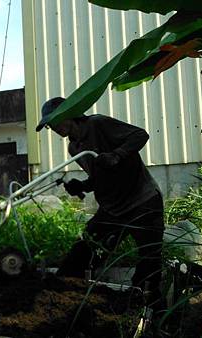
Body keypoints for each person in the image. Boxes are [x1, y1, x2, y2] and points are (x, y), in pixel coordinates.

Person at [36, 97, 165, 304]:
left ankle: (150, 310)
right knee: (83, 251)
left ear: (69, 114)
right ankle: (63, 298)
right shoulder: (74, 148)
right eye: (49, 126)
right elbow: (100, 177)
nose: (52, 128)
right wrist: (83, 186)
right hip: (113, 208)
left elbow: (140, 135)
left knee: (149, 262)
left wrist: (117, 155)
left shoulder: (98, 124)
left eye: (54, 122)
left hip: (142, 200)